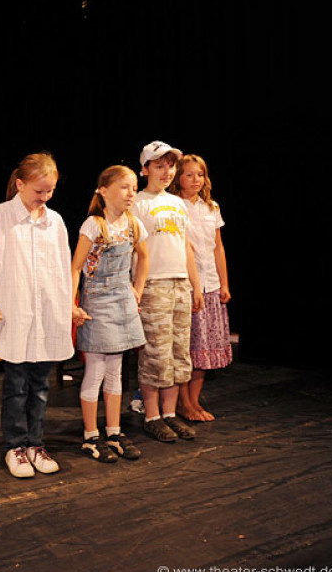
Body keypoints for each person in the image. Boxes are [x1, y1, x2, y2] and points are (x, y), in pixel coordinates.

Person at [0, 152, 74, 478]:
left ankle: (36, 443)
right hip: (14, 316)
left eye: (50, 191)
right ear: (20, 184)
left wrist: (69, 304)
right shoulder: (0, 216)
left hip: (45, 317)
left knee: (41, 385)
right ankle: (15, 446)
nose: (44, 198)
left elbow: (63, 270)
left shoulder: (54, 221)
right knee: (16, 385)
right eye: (38, 191)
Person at [71, 165, 150, 463]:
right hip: (97, 302)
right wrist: (73, 303)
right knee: (95, 372)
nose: (131, 193)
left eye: (133, 187)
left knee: (116, 370)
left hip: (121, 299)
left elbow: (144, 257)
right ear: (103, 190)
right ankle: (91, 435)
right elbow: (76, 266)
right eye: (124, 187)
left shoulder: (133, 224)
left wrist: (138, 288)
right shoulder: (95, 225)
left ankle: (114, 431)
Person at [131, 141, 204, 443]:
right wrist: (134, 289)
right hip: (153, 285)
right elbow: (133, 248)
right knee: (155, 354)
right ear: (145, 169)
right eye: (159, 166)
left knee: (176, 354)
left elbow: (186, 246)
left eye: (170, 166)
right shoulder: (137, 202)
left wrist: (195, 284)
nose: (166, 171)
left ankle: (170, 414)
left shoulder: (177, 203)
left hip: (179, 285)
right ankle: (152, 416)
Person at [169, 154, 232, 421]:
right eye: (189, 174)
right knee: (188, 350)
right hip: (187, 285)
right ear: (178, 178)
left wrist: (224, 283)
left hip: (211, 285)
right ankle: (183, 403)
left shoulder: (211, 207)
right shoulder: (174, 206)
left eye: (200, 174)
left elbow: (217, 247)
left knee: (204, 352)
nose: (196, 179)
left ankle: (193, 402)